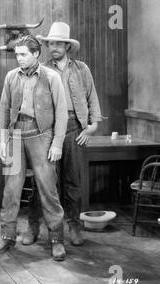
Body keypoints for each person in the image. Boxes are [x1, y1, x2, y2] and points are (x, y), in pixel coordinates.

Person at [0, 35, 68, 261]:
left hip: (42, 136)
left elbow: (61, 113)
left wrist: (57, 143)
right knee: (11, 190)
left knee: (48, 190)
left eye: (23, 54)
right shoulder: (11, 77)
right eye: (17, 54)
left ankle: (56, 239)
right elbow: (4, 109)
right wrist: (0, 139)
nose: (19, 58)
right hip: (15, 135)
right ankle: (7, 236)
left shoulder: (51, 77)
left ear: (36, 54)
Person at [37, 22, 102, 246]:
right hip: (50, 129)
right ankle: (42, 226)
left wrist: (92, 127)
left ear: (67, 45)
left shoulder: (81, 69)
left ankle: (74, 225)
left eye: (57, 43)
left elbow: (92, 98)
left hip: (75, 128)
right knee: (46, 180)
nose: (53, 47)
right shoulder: (42, 70)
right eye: (50, 43)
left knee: (73, 180)